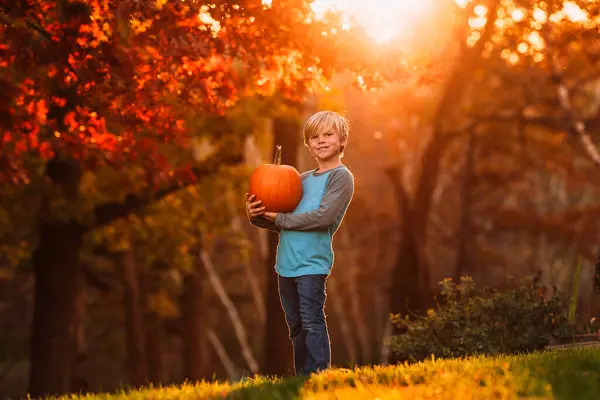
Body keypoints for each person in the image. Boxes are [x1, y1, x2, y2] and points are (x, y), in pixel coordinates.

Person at [245, 110, 355, 376]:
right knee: (295, 326)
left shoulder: (341, 178)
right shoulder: (301, 179)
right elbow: (282, 219)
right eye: (314, 137)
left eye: (328, 134)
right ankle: (302, 377)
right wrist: (256, 217)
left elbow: (322, 217)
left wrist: (279, 219)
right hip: (286, 263)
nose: (321, 140)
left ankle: (319, 375)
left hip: (311, 263)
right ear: (308, 144)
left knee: (312, 320)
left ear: (342, 140)